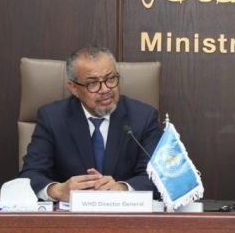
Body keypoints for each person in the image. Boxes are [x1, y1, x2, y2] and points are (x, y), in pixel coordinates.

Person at [19, 45, 162, 201]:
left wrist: (122, 188)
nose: (105, 89)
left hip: (124, 213)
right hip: (71, 214)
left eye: (110, 79)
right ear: (74, 88)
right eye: (92, 83)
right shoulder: (52, 118)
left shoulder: (143, 118)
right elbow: (30, 175)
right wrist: (58, 191)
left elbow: (157, 178)